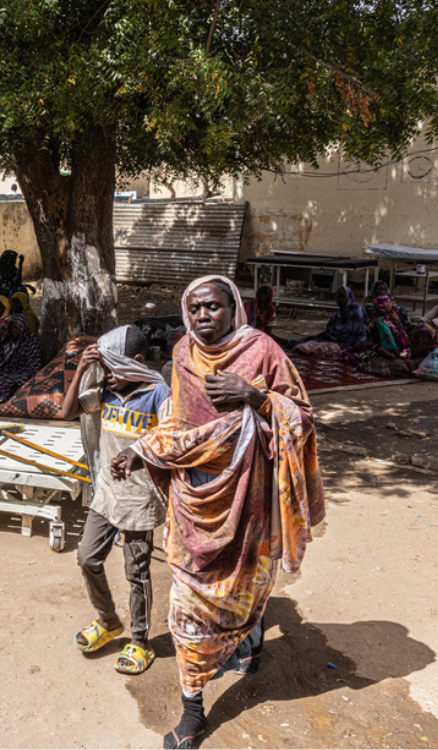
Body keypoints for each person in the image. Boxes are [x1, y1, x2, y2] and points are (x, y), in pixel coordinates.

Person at [112, 275, 324, 749]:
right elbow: (176, 420)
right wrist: (142, 451)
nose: (204, 316)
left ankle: (248, 637)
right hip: (193, 498)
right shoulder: (182, 353)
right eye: (196, 308)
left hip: (247, 499)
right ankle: (193, 711)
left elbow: (303, 418)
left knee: (245, 587)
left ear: (233, 309)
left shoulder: (264, 351)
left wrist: (255, 397)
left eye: (214, 307)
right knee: (188, 603)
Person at [61, 325, 170, 675]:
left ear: (135, 362)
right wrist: (80, 369)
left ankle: (141, 641)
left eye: (112, 369)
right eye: (103, 369)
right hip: (106, 494)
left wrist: (141, 452)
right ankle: (108, 621)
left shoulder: (157, 393)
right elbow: (66, 412)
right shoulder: (105, 392)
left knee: (136, 572)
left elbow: (172, 442)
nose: (107, 376)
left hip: (139, 500)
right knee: (86, 558)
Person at [0, 314, 43, 405]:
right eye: (11, 328)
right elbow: (0, 360)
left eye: (16, 328)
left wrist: (16, 373)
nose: (13, 331)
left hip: (23, 373)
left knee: (5, 382)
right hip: (6, 371)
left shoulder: (31, 343)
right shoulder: (7, 341)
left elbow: (34, 367)